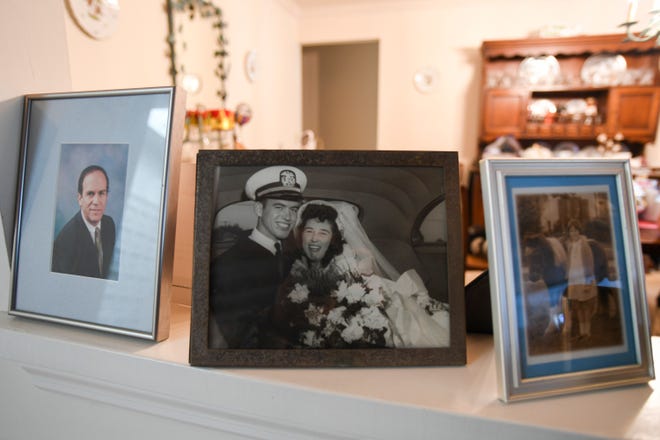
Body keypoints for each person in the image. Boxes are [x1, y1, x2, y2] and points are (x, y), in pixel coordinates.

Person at [273, 200, 450, 348]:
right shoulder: (294, 264)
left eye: (323, 233)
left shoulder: (348, 260)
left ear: (333, 238)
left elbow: (371, 298)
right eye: (309, 231)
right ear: (301, 233)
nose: (314, 239)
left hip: (379, 310)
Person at [209, 165, 307, 348]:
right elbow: (241, 337)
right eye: (279, 207)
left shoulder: (285, 256)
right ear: (259, 210)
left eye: (293, 209)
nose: (288, 217)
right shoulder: (231, 265)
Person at [52, 165, 116, 279]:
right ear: (80, 198)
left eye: (102, 193)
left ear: (107, 196)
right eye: (90, 194)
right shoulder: (65, 243)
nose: (96, 201)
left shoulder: (109, 225)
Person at [563, 219, 597, 341]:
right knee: (577, 307)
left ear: (579, 231)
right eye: (571, 231)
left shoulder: (584, 245)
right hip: (574, 280)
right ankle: (581, 333)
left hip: (583, 280)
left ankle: (587, 332)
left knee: (585, 307)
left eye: (575, 230)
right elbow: (569, 263)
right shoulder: (569, 246)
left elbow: (589, 264)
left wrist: (588, 282)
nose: (573, 233)